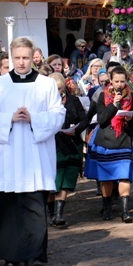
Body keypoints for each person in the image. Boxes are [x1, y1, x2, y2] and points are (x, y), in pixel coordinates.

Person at [0, 37, 65, 266]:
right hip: (7, 153)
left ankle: (34, 256)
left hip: (35, 155)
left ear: (33, 56)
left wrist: (35, 118)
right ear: (11, 57)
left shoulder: (46, 85)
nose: (22, 62)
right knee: (8, 206)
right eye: (17, 58)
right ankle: (11, 255)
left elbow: (58, 114)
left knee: (34, 206)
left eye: (26, 57)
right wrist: (9, 118)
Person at [85, 65, 133, 222]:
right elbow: (101, 120)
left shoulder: (131, 96)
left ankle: (125, 211)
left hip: (124, 139)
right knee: (107, 178)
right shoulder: (102, 95)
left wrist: (131, 118)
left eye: (122, 81)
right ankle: (107, 208)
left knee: (124, 176)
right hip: (106, 141)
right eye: (116, 81)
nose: (120, 85)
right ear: (110, 80)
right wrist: (113, 105)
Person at [47, 73, 90, 227]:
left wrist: (77, 129)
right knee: (55, 180)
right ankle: (51, 213)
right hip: (54, 144)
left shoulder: (72, 100)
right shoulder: (44, 102)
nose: (57, 91)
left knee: (67, 179)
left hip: (72, 143)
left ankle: (58, 215)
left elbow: (84, 119)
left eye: (59, 88)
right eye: (54, 88)